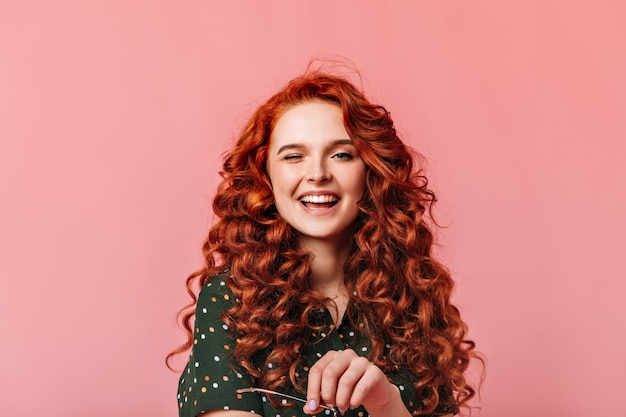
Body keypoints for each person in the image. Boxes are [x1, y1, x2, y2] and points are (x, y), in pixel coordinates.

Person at [168, 68, 481, 417]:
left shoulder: (415, 298)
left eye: (341, 155)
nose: (317, 173)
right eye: (293, 156)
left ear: (371, 171)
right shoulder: (230, 298)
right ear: (265, 175)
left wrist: (385, 404)